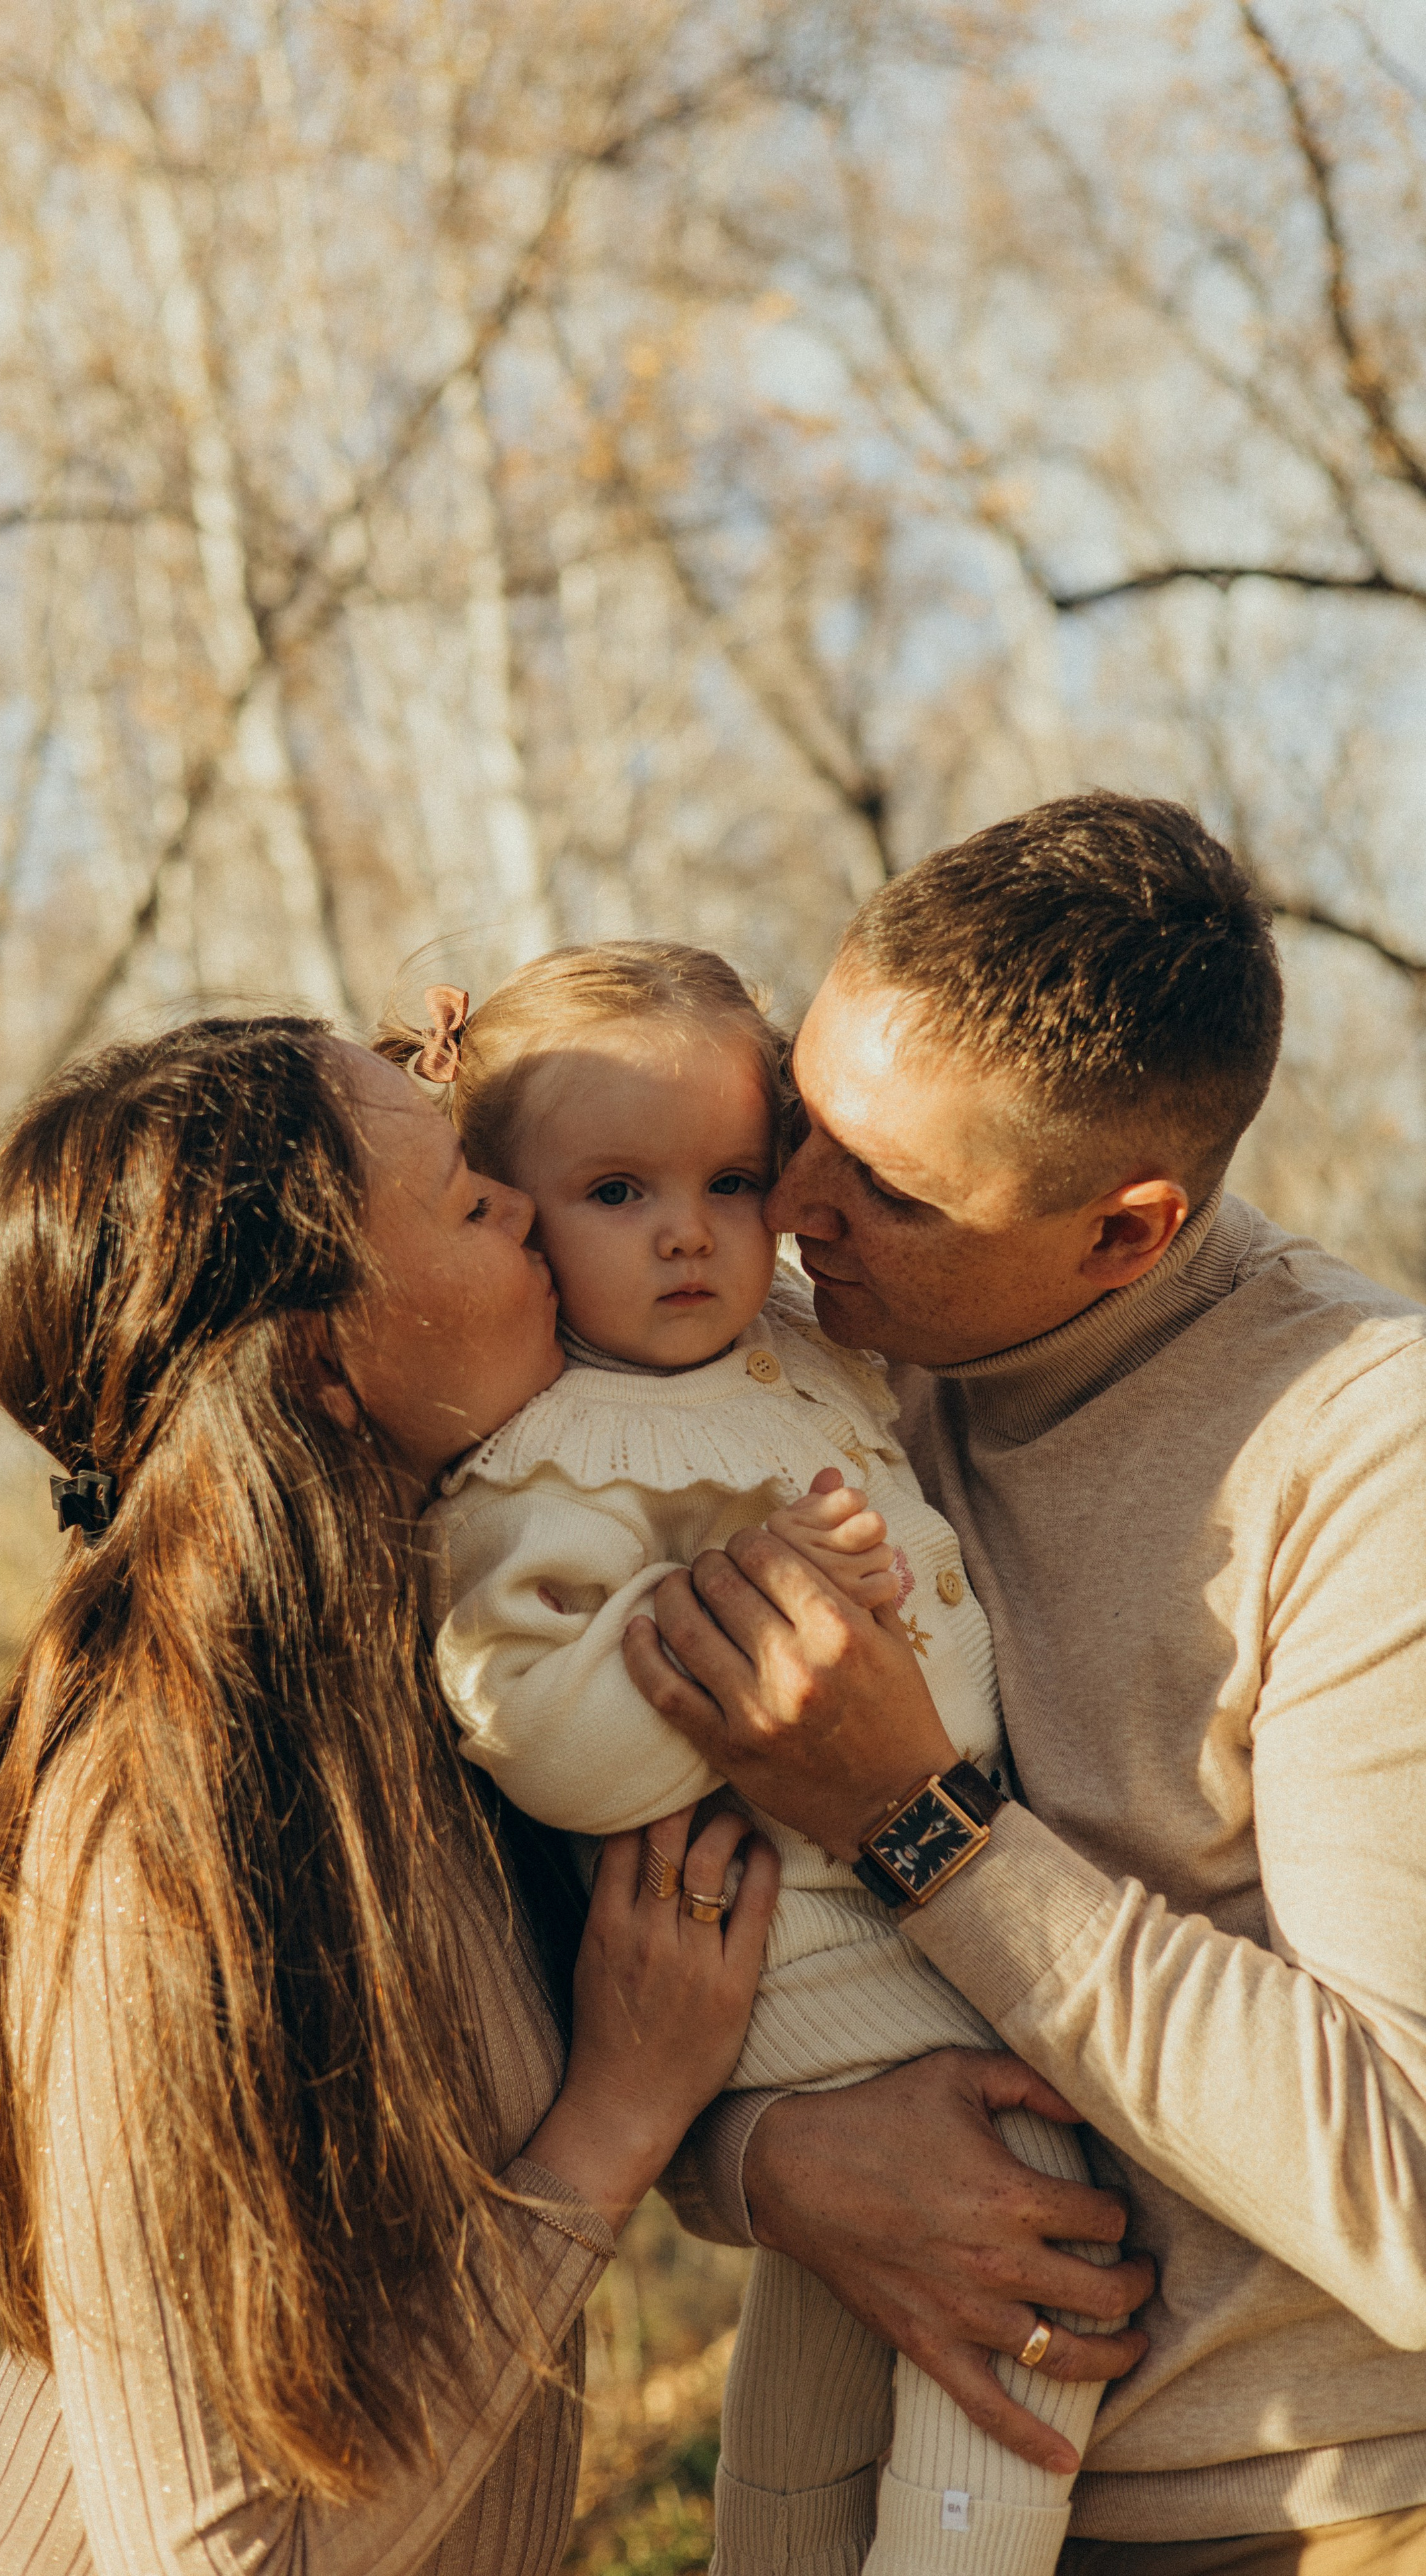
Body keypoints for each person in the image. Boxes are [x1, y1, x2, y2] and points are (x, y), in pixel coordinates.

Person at [624, 796, 1426, 2572]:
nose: (798, 1207)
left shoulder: (1373, 1452)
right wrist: (769, 2163)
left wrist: (924, 1828)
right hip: (871, 2504)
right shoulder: (777, 1358)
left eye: (894, 1191)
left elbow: (1411, 2189)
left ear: (1128, 1233)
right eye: (800, 1114)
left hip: (1316, 2524)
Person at [0, 1015, 781, 2576]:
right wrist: (610, 2125)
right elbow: (217, 2561)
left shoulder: (427, 1683)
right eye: (467, 1202)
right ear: (322, 1366)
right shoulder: (156, 1834)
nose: (524, 1207)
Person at [388, 939, 1121, 2575]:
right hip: (805, 1960)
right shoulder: (557, 1451)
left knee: (838, 2315)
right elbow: (535, 1731)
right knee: (1029, 2261)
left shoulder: (803, 1350)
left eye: (731, 1178)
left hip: (919, 1927)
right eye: (615, 1190)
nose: (687, 1232)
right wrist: (750, 1617)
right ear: (505, 1215)